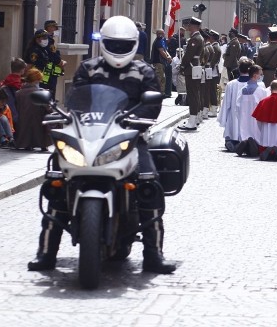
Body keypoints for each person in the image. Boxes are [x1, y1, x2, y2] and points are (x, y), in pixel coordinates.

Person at [27, 15, 176, 275]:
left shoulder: (144, 71)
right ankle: (46, 252)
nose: (118, 50)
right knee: (58, 180)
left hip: (130, 136)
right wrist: (62, 116)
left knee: (149, 183)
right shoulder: (89, 68)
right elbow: (76, 101)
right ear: (104, 43)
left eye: (123, 45)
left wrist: (138, 121)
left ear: (133, 44)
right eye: (113, 44)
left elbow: (152, 105)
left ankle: (154, 255)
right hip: (91, 135)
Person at [13, 68, 51, 152]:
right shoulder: (41, 93)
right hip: (38, 124)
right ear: (36, 80)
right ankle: (44, 144)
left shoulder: (18, 93)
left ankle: (27, 143)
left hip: (22, 125)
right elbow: (48, 108)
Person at [219, 58, 253, 152]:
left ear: (239, 69)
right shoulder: (256, 85)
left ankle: (233, 141)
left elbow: (226, 104)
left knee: (232, 127)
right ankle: (247, 143)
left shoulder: (231, 84)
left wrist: (223, 120)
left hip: (233, 117)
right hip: (249, 117)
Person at [235, 64, 268, 157]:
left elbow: (237, 106)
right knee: (256, 133)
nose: (261, 76)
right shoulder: (261, 90)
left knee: (245, 132)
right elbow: (263, 106)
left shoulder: (242, 89)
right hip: (256, 119)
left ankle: (245, 142)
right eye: (260, 74)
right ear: (255, 75)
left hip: (244, 119)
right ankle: (254, 144)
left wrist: (240, 116)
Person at [180, 17, 205, 130]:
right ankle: (193, 119)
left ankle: (192, 121)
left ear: (194, 26)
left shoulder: (195, 38)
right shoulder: (197, 37)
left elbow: (189, 55)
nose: (188, 27)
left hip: (191, 68)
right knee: (195, 94)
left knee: (192, 95)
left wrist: (182, 65)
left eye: (189, 25)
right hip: (194, 67)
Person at [0, 57, 27, 132]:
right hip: (17, 118)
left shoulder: (5, 83)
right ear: (22, 70)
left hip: (6, 115)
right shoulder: (19, 85)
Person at [43, 20, 66, 96]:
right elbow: (52, 55)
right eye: (54, 27)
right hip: (48, 72)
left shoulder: (49, 39)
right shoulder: (47, 40)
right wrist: (60, 62)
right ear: (49, 28)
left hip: (49, 72)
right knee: (49, 91)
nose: (56, 29)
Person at [150, 28, 173, 98]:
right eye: (160, 33)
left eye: (162, 33)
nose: (162, 35)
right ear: (157, 34)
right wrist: (167, 58)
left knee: (163, 78)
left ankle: (162, 92)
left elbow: (165, 50)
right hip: (158, 62)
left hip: (162, 62)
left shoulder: (162, 41)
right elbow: (161, 51)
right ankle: (160, 93)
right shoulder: (158, 41)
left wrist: (169, 56)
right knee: (160, 78)